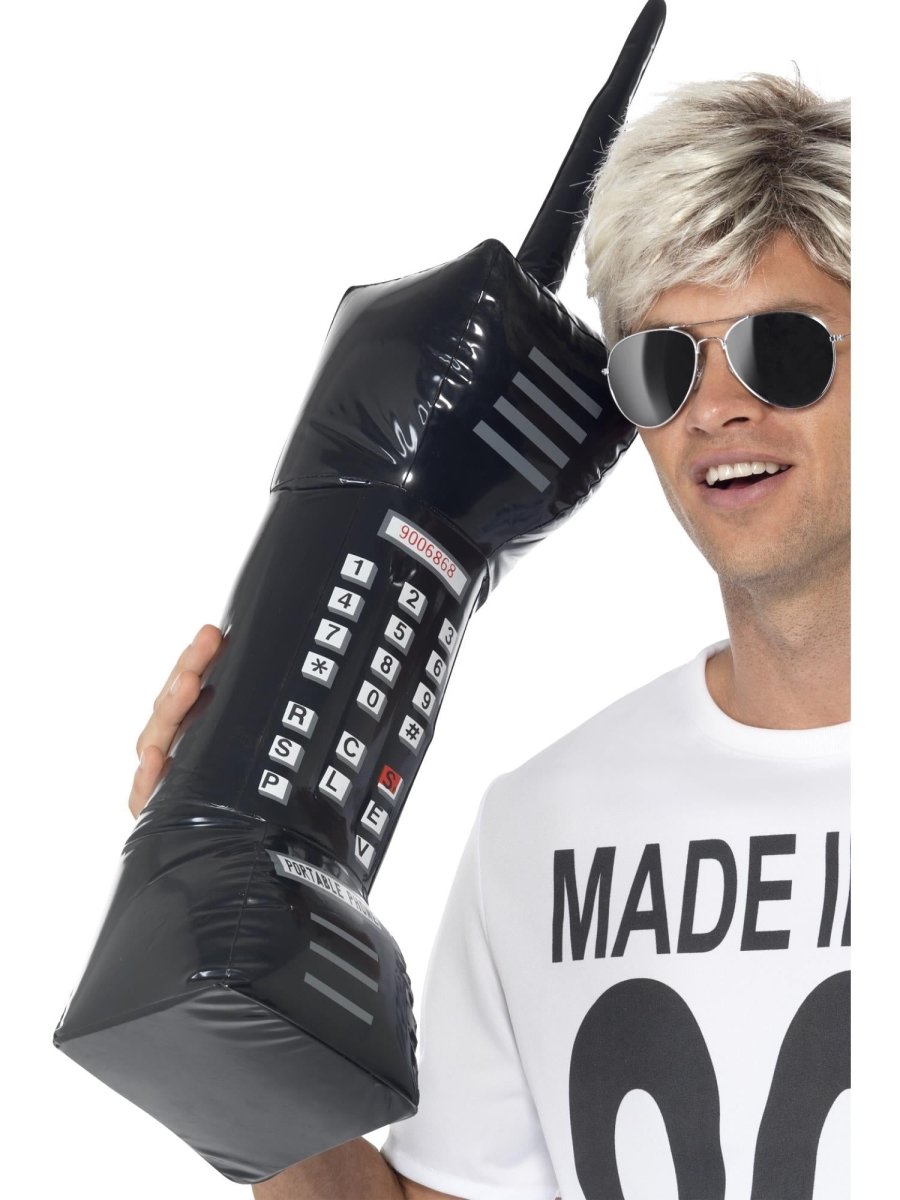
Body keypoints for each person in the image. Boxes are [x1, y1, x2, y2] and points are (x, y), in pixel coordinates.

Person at [129, 69, 850, 1199]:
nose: (717, 408)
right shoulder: (545, 830)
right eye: (662, 365)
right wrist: (221, 924)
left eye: (781, 348)